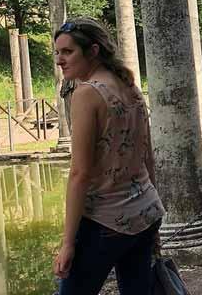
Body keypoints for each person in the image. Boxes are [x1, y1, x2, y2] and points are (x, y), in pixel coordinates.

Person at [52, 17, 164, 295]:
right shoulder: (130, 85)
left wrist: (68, 242)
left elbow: (80, 173)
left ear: (92, 51)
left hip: (106, 221)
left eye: (68, 52)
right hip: (146, 211)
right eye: (57, 53)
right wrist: (152, 212)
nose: (60, 60)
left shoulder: (86, 93)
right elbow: (146, 155)